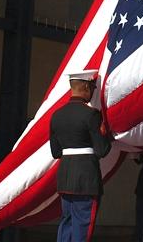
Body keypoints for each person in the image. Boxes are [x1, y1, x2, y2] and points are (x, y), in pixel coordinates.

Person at [50, 69, 112, 242]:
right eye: (92, 87)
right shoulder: (91, 114)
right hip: (85, 178)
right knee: (83, 226)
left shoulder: (56, 115)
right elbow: (102, 150)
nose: (93, 91)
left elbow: (56, 152)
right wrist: (108, 134)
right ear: (86, 86)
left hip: (65, 176)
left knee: (67, 222)